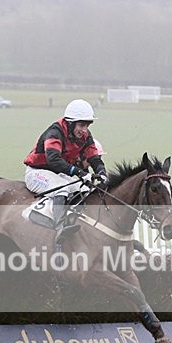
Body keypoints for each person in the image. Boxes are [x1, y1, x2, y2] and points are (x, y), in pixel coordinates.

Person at [24, 99, 108, 242]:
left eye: (87, 125)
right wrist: (80, 173)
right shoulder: (54, 132)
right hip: (37, 173)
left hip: (58, 174)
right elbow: (54, 159)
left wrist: (102, 172)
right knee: (61, 190)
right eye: (81, 125)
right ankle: (59, 228)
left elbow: (94, 157)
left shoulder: (86, 136)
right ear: (70, 122)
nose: (84, 130)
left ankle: (75, 221)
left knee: (84, 190)